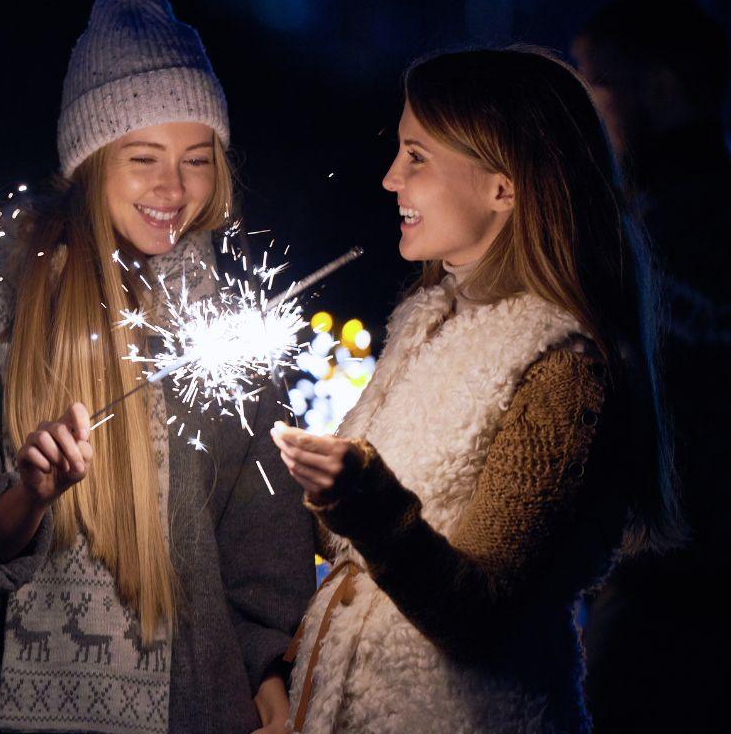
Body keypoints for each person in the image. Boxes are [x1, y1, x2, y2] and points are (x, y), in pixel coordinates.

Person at [0, 0, 313, 734]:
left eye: (197, 159)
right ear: (93, 161)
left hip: (187, 710)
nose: (174, 187)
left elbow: (261, 535)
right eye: (144, 158)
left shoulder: (223, 333)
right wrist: (28, 495)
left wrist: (266, 666)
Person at [273, 47, 683, 733]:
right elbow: (341, 536)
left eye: (416, 156)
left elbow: (475, 611)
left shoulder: (562, 369)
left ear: (503, 186)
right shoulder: (425, 324)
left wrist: (364, 499)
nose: (388, 179)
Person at [573, 0, 730, 732]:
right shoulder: (627, 225)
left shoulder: (652, 238)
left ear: (659, 89)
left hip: (664, 597)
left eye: (594, 86)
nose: (583, 112)